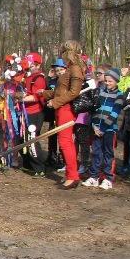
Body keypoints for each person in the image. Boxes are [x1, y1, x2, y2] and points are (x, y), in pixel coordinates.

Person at [44, 42, 85, 189]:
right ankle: (70, 174)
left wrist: (55, 102)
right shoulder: (70, 69)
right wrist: (43, 94)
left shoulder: (75, 69)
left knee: (65, 143)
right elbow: (60, 91)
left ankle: (73, 176)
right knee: (65, 143)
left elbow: (74, 92)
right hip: (61, 108)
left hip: (66, 109)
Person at [82, 68, 125, 190]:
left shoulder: (119, 95)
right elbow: (94, 110)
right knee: (96, 152)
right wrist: (94, 126)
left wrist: (104, 127)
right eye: (106, 81)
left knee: (108, 153)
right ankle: (94, 176)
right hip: (96, 129)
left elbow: (115, 113)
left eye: (110, 81)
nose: (107, 83)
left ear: (116, 81)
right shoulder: (100, 92)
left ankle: (108, 178)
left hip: (109, 130)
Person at [20, 52, 47, 177]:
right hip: (25, 113)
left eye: (30, 63)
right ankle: (28, 164)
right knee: (22, 139)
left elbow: (36, 97)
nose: (28, 65)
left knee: (31, 139)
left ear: (37, 64)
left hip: (35, 113)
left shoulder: (39, 78)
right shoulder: (27, 77)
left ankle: (39, 167)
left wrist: (21, 98)